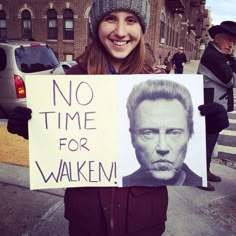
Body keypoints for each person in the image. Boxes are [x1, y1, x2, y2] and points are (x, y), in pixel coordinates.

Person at [6, 0, 229, 235]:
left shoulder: (157, 82)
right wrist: (30, 126)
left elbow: (177, 137)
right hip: (88, 216)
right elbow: (63, 137)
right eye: (110, 18)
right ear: (96, 24)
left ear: (141, 28)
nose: (121, 31)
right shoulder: (72, 79)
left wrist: (208, 125)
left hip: (144, 216)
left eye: (131, 20)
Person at [122, 79, 202, 187]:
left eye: (174, 133)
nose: (163, 148)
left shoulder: (199, 184)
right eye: (148, 133)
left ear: (189, 134)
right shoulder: (117, 182)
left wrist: (213, 127)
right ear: (132, 138)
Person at [197, 20, 236, 191]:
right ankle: (200, 176)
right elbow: (230, 81)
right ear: (217, 38)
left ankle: (206, 171)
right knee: (205, 142)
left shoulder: (220, 55)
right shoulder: (213, 56)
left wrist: (230, 59)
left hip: (215, 106)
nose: (231, 45)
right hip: (210, 107)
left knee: (210, 141)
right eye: (228, 40)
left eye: (234, 42)